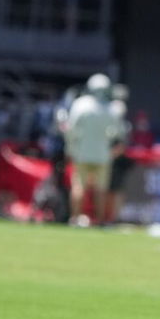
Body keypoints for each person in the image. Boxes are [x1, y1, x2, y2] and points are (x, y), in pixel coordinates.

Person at [62, 73, 121, 226]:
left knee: (79, 185)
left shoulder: (81, 104)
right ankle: (99, 220)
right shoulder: (112, 108)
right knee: (101, 188)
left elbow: (71, 129)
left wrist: (70, 148)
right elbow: (118, 133)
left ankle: (75, 218)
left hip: (82, 152)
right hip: (103, 154)